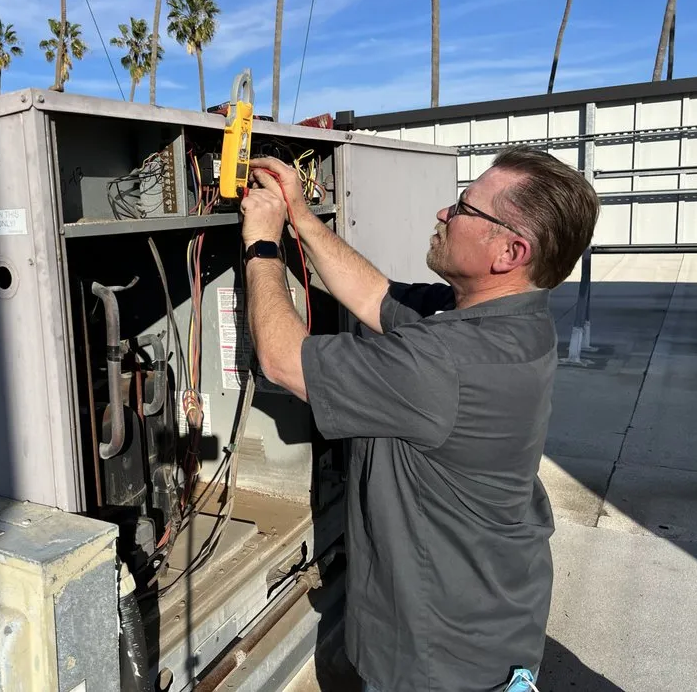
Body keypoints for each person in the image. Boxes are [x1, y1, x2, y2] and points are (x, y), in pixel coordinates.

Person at [239, 146, 600, 692]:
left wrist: (262, 243)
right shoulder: (508, 320)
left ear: (509, 251)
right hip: (491, 621)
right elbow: (377, 295)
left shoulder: (449, 362)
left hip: (440, 661)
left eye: (463, 208)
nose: (443, 214)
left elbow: (283, 359)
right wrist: (299, 214)